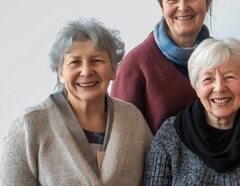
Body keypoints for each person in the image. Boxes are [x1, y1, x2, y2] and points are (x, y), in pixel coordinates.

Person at [0, 18, 152, 185]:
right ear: (60, 72)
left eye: (97, 61)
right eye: (75, 62)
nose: (86, 71)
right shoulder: (30, 125)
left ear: (114, 69)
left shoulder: (133, 120)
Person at [143, 38, 240, 185]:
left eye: (229, 77)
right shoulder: (169, 137)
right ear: (195, 86)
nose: (220, 88)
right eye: (208, 79)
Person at [111, 0, 214, 133]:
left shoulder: (221, 58)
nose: (183, 7)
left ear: (208, 3)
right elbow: (122, 136)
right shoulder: (136, 64)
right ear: (162, 6)